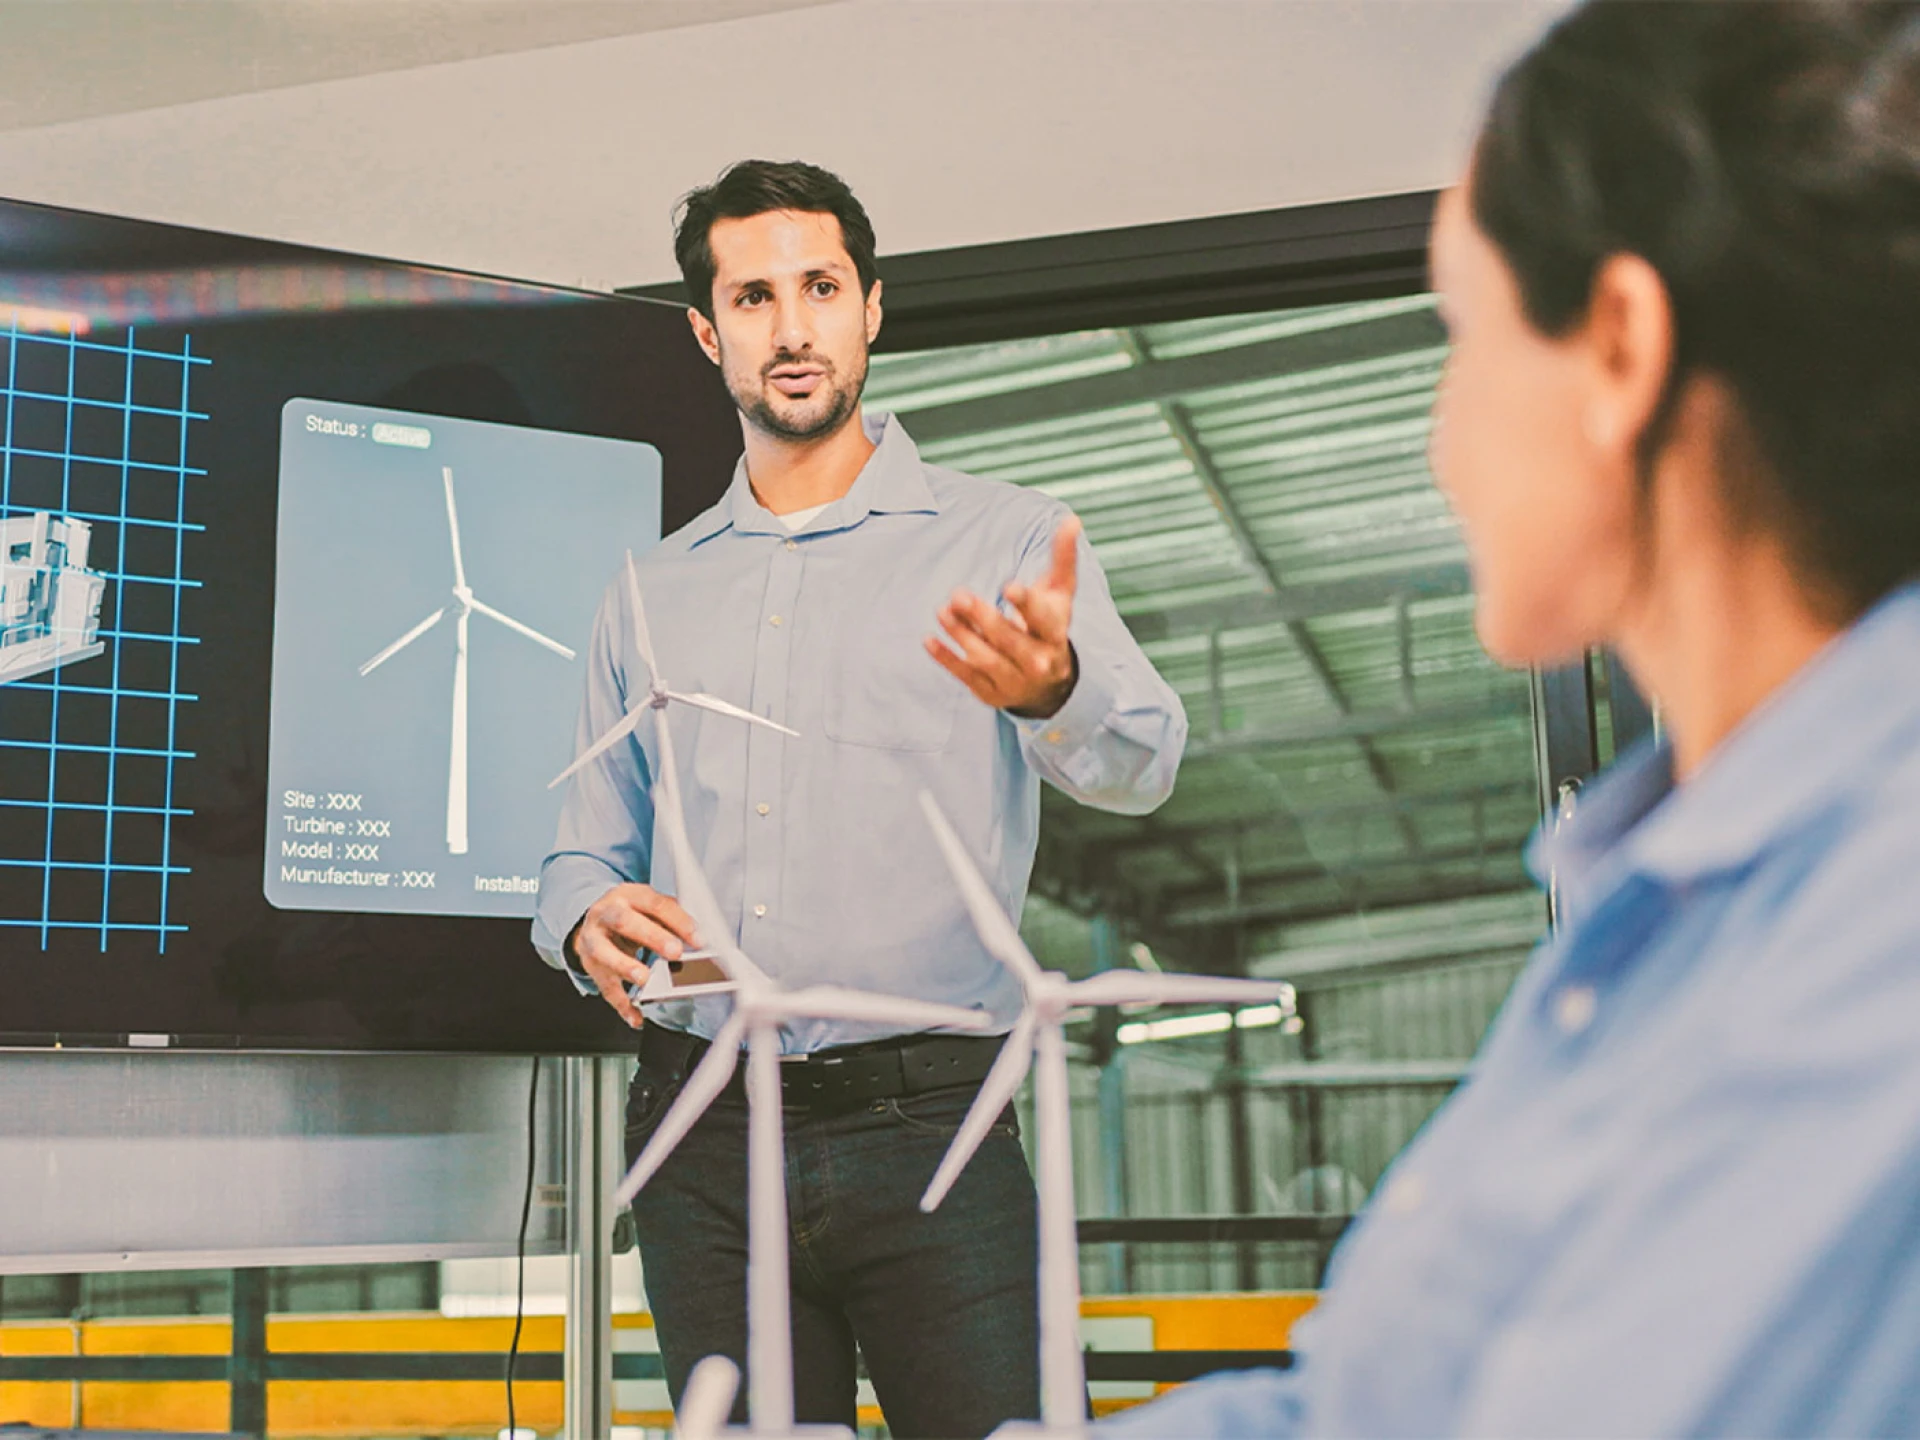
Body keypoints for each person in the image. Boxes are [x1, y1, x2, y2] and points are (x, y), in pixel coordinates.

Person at [1106, 2, 1920, 1434]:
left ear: (1619, 348)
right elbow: (1367, 1409)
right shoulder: (1664, 911)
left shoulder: (1874, 932)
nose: (1441, 433)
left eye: (1461, 329)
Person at [532, 160, 1186, 1436]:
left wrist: (1053, 690)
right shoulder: (647, 592)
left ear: (871, 309)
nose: (792, 327)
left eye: (821, 287)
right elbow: (581, 852)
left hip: (937, 1127)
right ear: (708, 333)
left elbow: (1145, 761)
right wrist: (580, 919)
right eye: (756, 296)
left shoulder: (1004, 542)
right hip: (701, 1131)